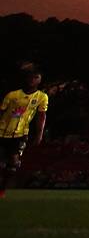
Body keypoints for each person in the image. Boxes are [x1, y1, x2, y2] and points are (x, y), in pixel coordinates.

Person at [1, 65, 51, 198]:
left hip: (20, 134)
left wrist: (39, 134)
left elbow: (41, 116)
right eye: (31, 77)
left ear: (40, 80)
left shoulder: (42, 97)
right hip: (2, 132)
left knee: (14, 163)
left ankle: (2, 189)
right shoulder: (13, 95)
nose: (33, 80)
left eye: (36, 77)